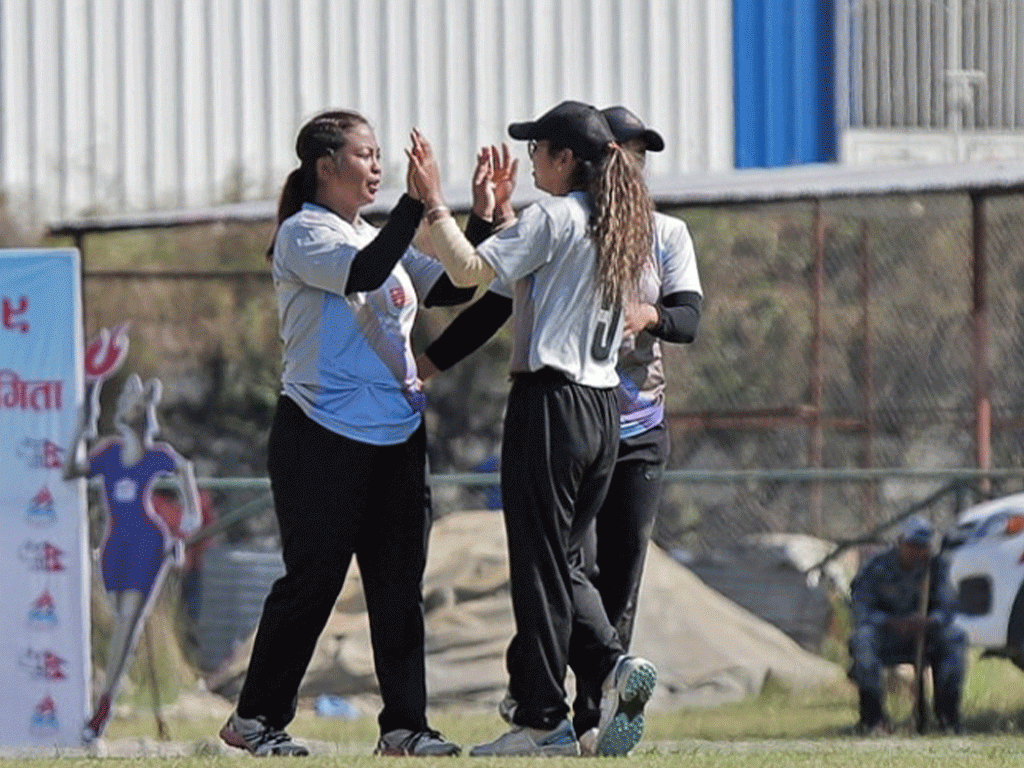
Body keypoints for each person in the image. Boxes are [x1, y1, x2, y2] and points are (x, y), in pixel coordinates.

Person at [418, 106, 702, 755]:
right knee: (563, 564)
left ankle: (571, 697)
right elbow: (505, 281)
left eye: (539, 149)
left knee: (543, 566)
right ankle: (569, 695)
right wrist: (494, 218)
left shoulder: (555, 215)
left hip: (553, 402)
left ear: (566, 158)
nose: (532, 161)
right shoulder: (621, 225)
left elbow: (465, 274)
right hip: (605, 409)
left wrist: (435, 203)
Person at [218, 110, 472, 757]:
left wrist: (486, 220)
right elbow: (363, 273)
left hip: (397, 436)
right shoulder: (305, 232)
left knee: (397, 589)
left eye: (381, 154)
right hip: (319, 434)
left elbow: (449, 288)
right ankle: (254, 720)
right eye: (365, 155)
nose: (378, 166)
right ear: (325, 167)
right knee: (313, 583)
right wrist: (415, 207)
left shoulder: (374, 234)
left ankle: (405, 727)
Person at [65, 374, 201, 742]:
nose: (125, 407)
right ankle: (107, 690)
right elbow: (70, 471)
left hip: (147, 541)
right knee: (115, 617)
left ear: (142, 412)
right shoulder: (108, 454)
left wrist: (190, 518)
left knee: (127, 622)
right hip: (114, 544)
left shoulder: (157, 456)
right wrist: (81, 426)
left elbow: (185, 468)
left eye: (132, 402)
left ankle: (102, 709)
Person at [848, 514, 967, 734]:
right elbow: (860, 606)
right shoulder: (877, 566)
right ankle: (874, 720)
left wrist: (929, 621)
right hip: (887, 635)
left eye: (922, 547)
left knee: (955, 637)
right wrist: (890, 621)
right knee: (863, 639)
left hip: (925, 635)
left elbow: (948, 606)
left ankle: (947, 718)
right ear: (899, 542)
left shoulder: (936, 568)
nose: (916, 552)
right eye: (911, 545)